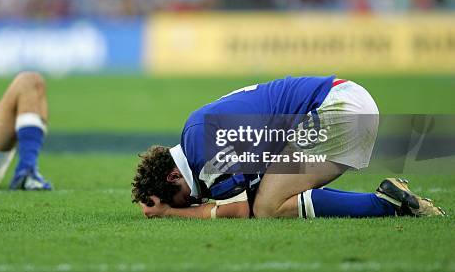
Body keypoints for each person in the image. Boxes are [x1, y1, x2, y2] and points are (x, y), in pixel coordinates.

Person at [132, 76, 445, 219]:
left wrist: (172, 212)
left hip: (337, 108)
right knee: (274, 197)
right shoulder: (196, 134)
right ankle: (389, 198)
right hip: (345, 103)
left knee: (267, 207)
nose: (194, 200)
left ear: (175, 175)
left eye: (185, 197)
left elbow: (243, 210)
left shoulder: (201, 150)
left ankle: (386, 205)